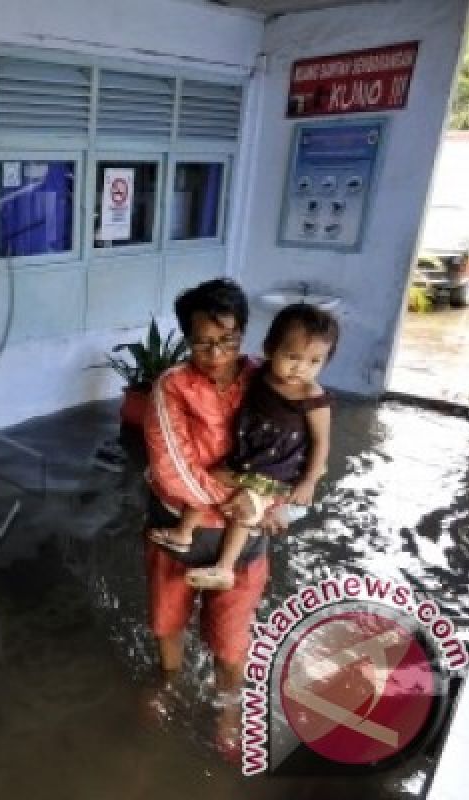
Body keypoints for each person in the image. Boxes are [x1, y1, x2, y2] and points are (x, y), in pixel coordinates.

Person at [140, 278, 286, 749]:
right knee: (167, 624)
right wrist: (237, 504)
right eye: (203, 342)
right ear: (186, 339)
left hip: (244, 540)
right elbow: (171, 466)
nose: (216, 352)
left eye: (227, 339)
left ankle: (228, 708)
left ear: (243, 332)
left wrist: (270, 501)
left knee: (230, 641)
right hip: (179, 528)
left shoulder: (268, 380)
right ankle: (169, 682)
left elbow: (290, 449)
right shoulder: (171, 387)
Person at [147, 303, 339, 591]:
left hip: (271, 470)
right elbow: (172, 466)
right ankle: (185, 533)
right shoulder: (256, 374)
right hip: (247, 460)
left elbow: (321, 444)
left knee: (245, 514)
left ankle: (224, 567)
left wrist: (305, 484)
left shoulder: (312, 398)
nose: (301, 368)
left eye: (315, 362)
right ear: (269, 348)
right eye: (292, 357)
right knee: (214, 480)